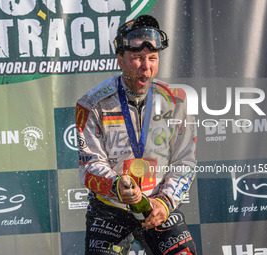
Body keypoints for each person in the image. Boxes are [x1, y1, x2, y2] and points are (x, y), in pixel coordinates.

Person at [76, 14, 198, 255]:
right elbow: (89, 166)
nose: (146, 66)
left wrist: (164, 203)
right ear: (120, 59)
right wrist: (116, 185)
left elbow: (186, 161)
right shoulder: (91, 104)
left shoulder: (176, 101)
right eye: (137, 58)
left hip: (156, 204)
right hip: (110, 207)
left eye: (153, 58)